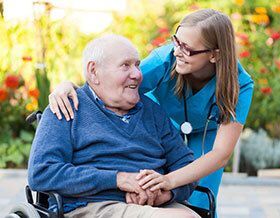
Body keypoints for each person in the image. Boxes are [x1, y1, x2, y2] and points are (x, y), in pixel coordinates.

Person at [48, 9, 254, 215]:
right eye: (176, 41)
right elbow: (108, 87)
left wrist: (169, 182)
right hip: (163, 124)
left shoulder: (239, 85)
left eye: (187, 49)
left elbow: (220, 154)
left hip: (207, 133)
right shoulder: (164, 61)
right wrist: (68, 86)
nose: (177, 52)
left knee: (200, 202)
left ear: (214, 54)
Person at [28, 34, 200, 218]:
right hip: (93, 205)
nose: (137, 74)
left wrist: (166, 193)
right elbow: (42, 172)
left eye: (137, 65)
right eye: (126, 65)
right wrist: (118, 179)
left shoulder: (153, 112)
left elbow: (187, 166)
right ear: (93, 71)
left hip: (155, 205)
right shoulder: (66, 108)